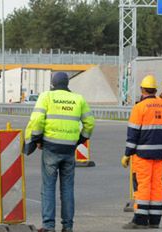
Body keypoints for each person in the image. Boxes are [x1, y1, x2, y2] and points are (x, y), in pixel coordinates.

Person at [24, 72, 95, 232]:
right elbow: (90, 123)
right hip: (69, 149)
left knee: (48, 187)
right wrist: (80, 140)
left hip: (50, 147)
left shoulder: (46, 97)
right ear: (67, 84)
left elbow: (36, 120)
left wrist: (37, 140)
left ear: (53, 84)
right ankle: (68, 226)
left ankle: (49, 226)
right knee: (67, 188)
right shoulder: (78, 99)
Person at [121, 75, 162, 229]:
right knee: (156, 185)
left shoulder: (139, 107)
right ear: (155, 90)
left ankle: (140, 220)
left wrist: (127, 154)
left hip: (142, 155)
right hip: (159, 155)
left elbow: (133, 134)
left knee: (142, 185)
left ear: (142, 90)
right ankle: (155, 220)